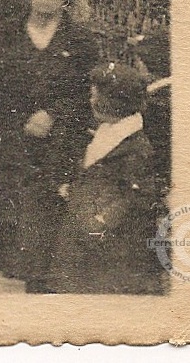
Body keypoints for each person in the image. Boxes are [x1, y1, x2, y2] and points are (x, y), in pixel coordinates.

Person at [0, 0, 98, 293]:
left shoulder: (79, 41)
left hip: (58, 140)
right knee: (11, 204)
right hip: (13, 136)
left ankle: (42, 277)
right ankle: (11, 271)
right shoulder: (6, 33)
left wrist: (54, 114)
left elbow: (86, 93)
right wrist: (16, 120)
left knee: (48, 209)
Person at [49, 63, 168, 294]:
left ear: (112, 101)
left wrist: (98, 221)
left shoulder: (134, 148)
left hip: (108, 245)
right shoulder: (107, 132)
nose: (90, 100)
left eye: (94, 95)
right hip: (85, 235)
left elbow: (132, 198)